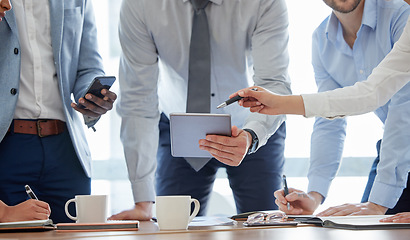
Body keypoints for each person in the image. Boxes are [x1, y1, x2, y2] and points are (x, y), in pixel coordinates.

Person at [111, 0, 291, 220]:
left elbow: (273, 83)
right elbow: (137, 98)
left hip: (253, 125)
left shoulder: (263, 2)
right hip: (178, 125)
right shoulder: (141, 5)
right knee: (173, 228)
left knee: (264, 226)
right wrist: (143, 201)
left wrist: (252, 136)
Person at [231, 12, 410, 223]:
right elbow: (369, 95)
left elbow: (403, 110)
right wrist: (314, 195)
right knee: (366, 225)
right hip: (394, 151)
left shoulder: (399, 15)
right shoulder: (323, 39)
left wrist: (378, 204)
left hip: (399, 147)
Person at [0, 0, 117, 223]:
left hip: (66, 151)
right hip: (7, 145)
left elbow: (88, 66)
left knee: (71, 233)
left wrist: (92, 97)